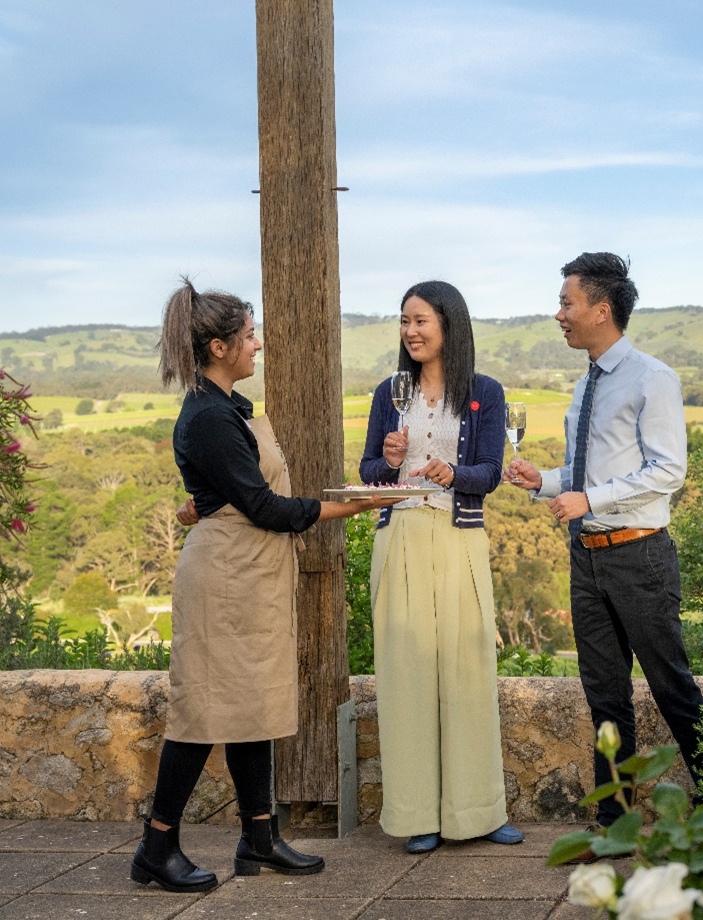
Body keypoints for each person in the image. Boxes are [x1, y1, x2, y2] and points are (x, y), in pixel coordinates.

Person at [132, 280, 399, 893]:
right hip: (226, 577)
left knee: (253, 707)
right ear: (220, 346)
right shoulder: (207, 417)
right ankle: (156, 845)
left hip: (248, 572)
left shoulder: (226, 409)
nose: (259, 344)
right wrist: (354, 506)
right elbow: (264, 505)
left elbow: (223, 492)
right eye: (250, 335)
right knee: (200, 711)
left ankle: (258, 839)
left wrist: (200, 504)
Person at [505, 253, 703, 840]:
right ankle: (613, 826)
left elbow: (668, 470)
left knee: (673, 688)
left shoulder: (652, 378)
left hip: (639, 555)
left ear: (600, 309)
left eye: (566, 303)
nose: (558, 314)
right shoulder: (584, 382)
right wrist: (544, 482)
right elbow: (586, 471)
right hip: (587, 556)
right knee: (604, 700)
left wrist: (590, 500)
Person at [359, 280, 524, 854]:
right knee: (405, 679)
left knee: (467, 673)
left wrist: (454, 475)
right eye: (404, 321)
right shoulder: (390, 392)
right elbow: (370, 473)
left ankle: (477, 812)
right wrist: (391, 460)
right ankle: (415, 817)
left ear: (449, 325)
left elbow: (491, 473)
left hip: (459, 539)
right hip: (401, 534)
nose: (410, 331)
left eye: (421, 320)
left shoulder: (484, 392)